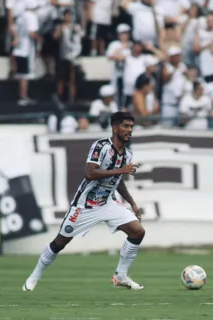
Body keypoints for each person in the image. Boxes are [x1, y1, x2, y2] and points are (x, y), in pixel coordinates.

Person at [23, 112, 144, 291]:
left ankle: (120, 276)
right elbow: (90, 173)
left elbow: (118, 181)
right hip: (85, 205)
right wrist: (121, 170)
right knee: (60, 243)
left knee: (137, 231)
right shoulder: (101, 146)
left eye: (131, 127)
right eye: (126, 126)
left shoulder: (127, 155)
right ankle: (34, 276)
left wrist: (132, 203)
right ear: (115, 128)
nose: (129, 130)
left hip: (107, 203)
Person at [12, 0, 40, 105]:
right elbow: (32, 33)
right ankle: (23, 97)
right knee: (25, 75)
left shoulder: (20, 17)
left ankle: (22, 96)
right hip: (26, 49)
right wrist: (40, 39)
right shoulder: (31, 17)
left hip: (18, 49)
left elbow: (14, 30)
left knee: (21, 74)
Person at [53, 10, 83, 103]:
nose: (68, 17)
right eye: (66, 15)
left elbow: (79, 39)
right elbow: (55, 37)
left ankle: (72, 98)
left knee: (73, 79)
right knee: (61, 79)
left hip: (74, 56)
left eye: (69, 15)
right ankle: (60, 97)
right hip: (64, 56)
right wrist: (59, 30)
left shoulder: (76, 27)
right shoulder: (61, 27)